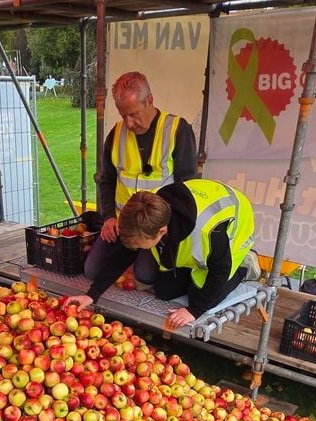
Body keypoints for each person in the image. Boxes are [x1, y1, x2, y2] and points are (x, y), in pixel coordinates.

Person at [66, 179, 255, 331]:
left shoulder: (209, 232)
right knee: (165, 292)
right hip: (191, 230)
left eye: (141, 245)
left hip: (232, 237)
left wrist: (194, 311)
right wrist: (92, 294)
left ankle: (244, 269)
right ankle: (193, 275)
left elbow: (220, 272)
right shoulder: (147, 210)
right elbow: (124, 254)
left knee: (205, 300)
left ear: (162, 232)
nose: (139, 249)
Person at [84, 71, 197, 286]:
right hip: (122, 225)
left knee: (145, 276)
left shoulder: (177, 130)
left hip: (155, 228)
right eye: (123, 115)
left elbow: (188, 187)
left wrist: (164, 231)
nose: (128, 123)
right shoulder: (115, 134)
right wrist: (108, 217)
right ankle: (130, 258)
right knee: (92, 271)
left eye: (134, 114)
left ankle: (139, 260)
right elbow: (106, 180)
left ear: (150, 100)